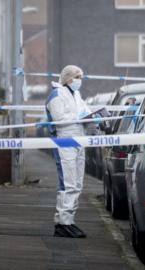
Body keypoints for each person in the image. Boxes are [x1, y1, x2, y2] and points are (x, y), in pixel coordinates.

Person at [45, 65, 91, 238]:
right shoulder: (56, 95)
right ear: (68, 78)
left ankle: (69, 220)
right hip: (65, 142)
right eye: (77, 77)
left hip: (79, 140)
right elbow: (59, 120)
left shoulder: (76, 94)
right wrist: (79, 118)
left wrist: (94, 117)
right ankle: (62, 223)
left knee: (77, 184)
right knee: (68, 183)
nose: (80, 81)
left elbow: (85, 111)